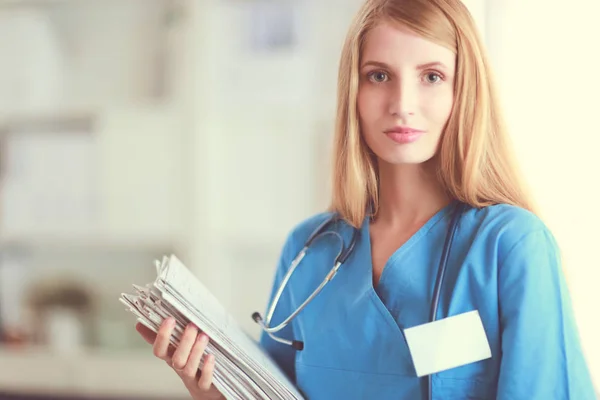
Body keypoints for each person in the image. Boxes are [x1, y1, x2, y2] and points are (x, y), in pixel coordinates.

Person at [135, 0, 598, 398]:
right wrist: (213, 391)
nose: (402, 102)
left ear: (465, 92)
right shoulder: (309, 250)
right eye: (379, 76)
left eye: (432, 76)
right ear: (353, 93)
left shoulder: (512, 247)